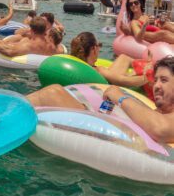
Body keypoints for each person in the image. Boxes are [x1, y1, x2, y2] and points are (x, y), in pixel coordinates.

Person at [28, 57, 174, 144]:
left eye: (164, 80)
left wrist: (120, 97)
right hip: (105, 133)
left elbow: (159, 130)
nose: (156, 85)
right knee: (53, 92)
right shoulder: (158, 112)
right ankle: (9, 110)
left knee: (53, 93)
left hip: (105, 141)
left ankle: (8, 111)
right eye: (155, 80)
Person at [68, 32, 150, 87]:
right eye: (99, 45)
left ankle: (145, 64)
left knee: (123, 57)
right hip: (112, 85)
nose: (99, 49)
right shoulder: (98, 70)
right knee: (127, 66)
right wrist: (149, 76)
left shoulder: (74, 64)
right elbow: (126, 81)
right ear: (93, 49)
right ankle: (147, 64)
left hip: (110, 79)